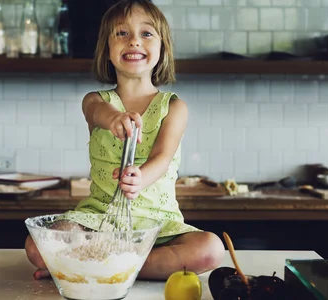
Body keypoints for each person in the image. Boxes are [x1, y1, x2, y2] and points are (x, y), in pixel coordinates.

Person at [25, 0, 225, 281]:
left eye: (146, 33)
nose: (134, 41)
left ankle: (99, 267)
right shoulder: (96, 101)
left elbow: (162, 157)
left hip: (157, 225)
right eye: (121, 33)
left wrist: (140, 178)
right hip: (99, 220)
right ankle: (105, 264)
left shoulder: (174, 107)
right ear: (107, 50)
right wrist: (114, 119)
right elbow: (98, 111)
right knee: (36, 245)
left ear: (162, 47)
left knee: (211, 249)